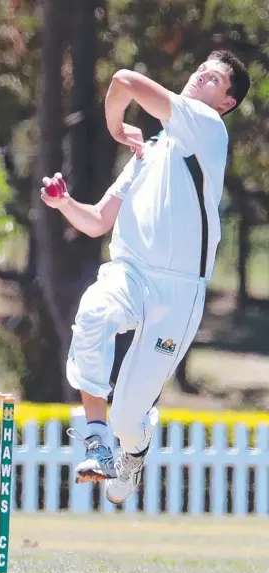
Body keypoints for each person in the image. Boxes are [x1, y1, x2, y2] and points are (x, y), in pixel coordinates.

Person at [40, 50, 250, 504]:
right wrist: (64, 204)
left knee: (130, 414)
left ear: (226, 103)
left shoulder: (207, 128)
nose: (200, 77)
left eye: (213, 78)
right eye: (200, 69)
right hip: (130, 270)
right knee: (93, 312)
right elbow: (97, 221)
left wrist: (115, 127)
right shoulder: (148, 152)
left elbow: (123, 81)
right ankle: (96, 441)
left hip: (179, 292)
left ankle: (131, 451)